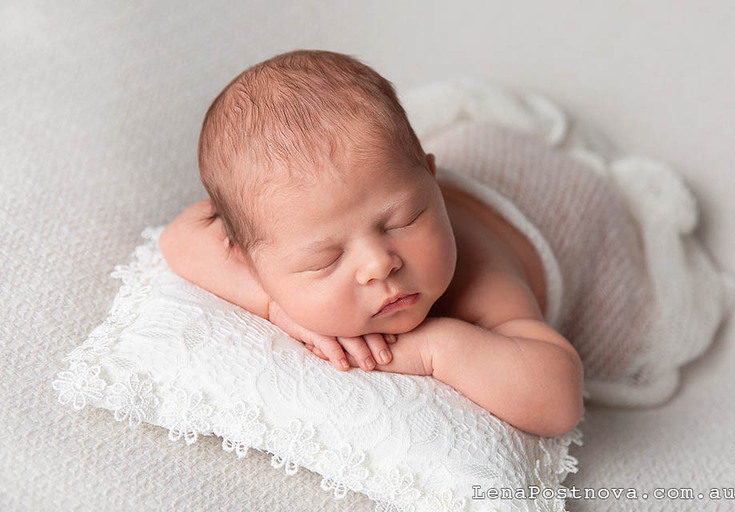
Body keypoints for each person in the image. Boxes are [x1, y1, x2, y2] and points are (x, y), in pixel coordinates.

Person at [159, 49, 584, 437]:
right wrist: (276, 305)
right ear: (248, 261)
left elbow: (559, 401)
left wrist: (434, 349)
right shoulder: (280, 229)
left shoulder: (480, 278)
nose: (379, 265)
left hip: (551, 210)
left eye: (404, 220)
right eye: (326, 259)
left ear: (431, 181)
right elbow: (179, 237)